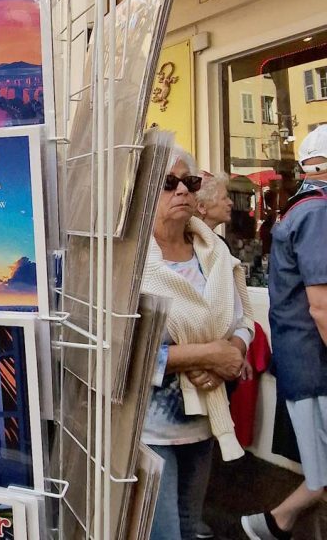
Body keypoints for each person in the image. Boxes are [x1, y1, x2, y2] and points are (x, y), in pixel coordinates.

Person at [140, 147, 254, 540]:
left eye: (189, 182)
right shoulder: (130, 264)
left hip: (204, 419)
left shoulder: (214, 253)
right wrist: (208, 354)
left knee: (191, 526)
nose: (182, 192)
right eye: (169, 183)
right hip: (149, 429)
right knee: (165, 532)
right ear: (142, 192)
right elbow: (121, 352)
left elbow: (244, 320)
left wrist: (234, 352)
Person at [241, 125, 327, 540]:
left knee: (320, 471)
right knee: (321, 474)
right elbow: (322, 306)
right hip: (315, 365)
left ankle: (275, 523)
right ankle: (272, 522)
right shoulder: (318, 212)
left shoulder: (298, 207)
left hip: (300, 361)